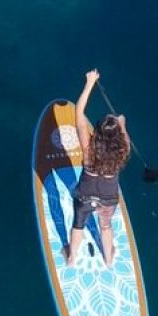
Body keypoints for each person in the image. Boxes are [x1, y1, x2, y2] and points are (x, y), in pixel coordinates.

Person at [65, 69, 131, 267]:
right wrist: (122, 122)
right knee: (105, 225)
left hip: (85, 195)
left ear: (98, 131)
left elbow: (79, 111)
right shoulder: (123, 150)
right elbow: (124, 134)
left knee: (78, 224)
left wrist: (90, 82)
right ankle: (109, 259)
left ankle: (71, 258)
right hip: (108, 197)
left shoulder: (88, 148)